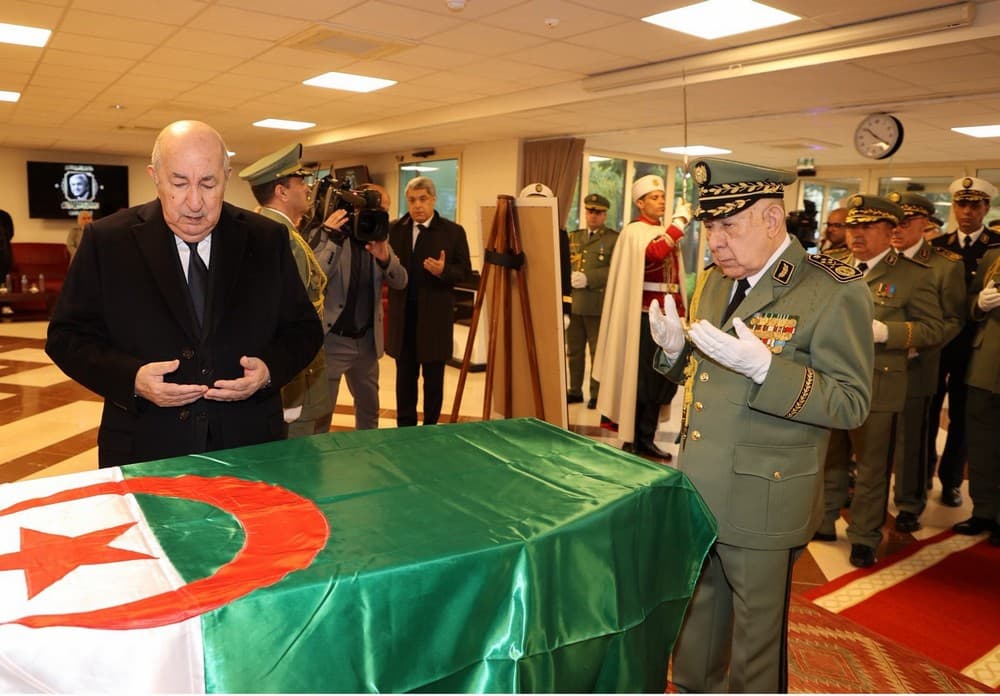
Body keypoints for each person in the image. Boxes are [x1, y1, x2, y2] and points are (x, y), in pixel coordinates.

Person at [648, 158, 873, 693]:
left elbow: (850, 402)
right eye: (710, 226)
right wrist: (675, 354)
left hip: (765, 495)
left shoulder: (832, 289)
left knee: (755, 646)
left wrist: (770, 370)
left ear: (773, 219)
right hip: (703, 486)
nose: (716, 241)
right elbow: (709, 374)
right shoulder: (711, 281)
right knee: (698, 625)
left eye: (729, 226)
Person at [45, 120, 323, 468]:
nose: (194, 202)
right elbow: (65, 337)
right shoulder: (109, 241)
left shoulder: (266, 239)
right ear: (155, 177)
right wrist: (131, 379)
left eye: (208, 183)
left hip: (249, 444)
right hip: (144, 446)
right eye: (179, 183)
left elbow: (304, 329)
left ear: (226, 176)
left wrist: (269, 370)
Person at [818, 195, 943, 568]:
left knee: (872, 466)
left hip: (878, 381)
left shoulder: (913, 276)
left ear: (891, 232)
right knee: (830, 455)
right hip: (831, 377)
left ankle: (864, 536)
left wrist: (885, 332)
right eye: (853, 226)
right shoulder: (832, 266)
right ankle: (824, 520)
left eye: (867, 227)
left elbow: (933, 328)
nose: (856, 234)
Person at [239, 143, 333, 438]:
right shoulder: (280, 238)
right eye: (300, 183)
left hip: (284, 371)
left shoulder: (270, 230)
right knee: (298, 465)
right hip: (293, 377)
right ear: (281, 192)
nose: (307, 189)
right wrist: (291, 389)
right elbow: (284, 318)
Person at [592, 174, 689, 459]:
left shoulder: (662, 231)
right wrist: (679, 224)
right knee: (643, 381)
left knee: (663, 382)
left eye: (662, 198)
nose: (661, 202)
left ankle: (646, 437)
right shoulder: (635, 232)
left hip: (667, 318)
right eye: (654, 198)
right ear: (639, 203)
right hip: (643, 318)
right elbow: (654, 254)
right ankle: (634, 438)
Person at [886, 191, 965, 532]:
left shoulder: (945, 265)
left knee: (911, 439)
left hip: (917, 363)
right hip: (878, 363)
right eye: (894, 222)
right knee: (874, 434)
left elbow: (953, 319)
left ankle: (909, 502)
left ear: (925, 224)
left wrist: (917, 343)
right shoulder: (883, 259)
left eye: (906, 222)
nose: (898, 229)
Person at [927, 176, 1000, 507]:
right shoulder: (937, 246)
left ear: (986, 208)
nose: (966, 211)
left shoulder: (996, 247)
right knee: (927, 410)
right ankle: (922, 473)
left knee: (963, 415)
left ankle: (952, 481)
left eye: (974, 204)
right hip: (937, 342)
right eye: (961, 204)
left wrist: (978, 307)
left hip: (973, 345)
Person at [311, 183, 407, 431]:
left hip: (366, 343)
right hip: (333, 341)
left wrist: (384, 257)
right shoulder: (333, 237)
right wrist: (331, 238)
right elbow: (315, 275)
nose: (380, 216)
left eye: (385, 211)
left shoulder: (379, 239)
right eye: (377, 209)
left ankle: (368, 459)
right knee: (322, 415)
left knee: (369, 411)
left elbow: (401, 280)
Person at [386, 176, 470, 426]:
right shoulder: (395, 229)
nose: (417, 205)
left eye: (423, 199)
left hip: (435, 320)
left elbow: (464, 273)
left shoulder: (452, 232)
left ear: (433, 199)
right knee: (404, 382)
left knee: (434, 381)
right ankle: (405, 428)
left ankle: (430, 428)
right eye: (412, 200)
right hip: (403, 320)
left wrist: (443, 271)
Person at [954, 244, 1000, 545]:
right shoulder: (994, 256)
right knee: (982, 445)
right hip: (987, 364)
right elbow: (967, 300)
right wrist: (979, 305)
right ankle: (983, 510)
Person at [566, 193, 619, 409]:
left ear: (605, 214)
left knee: (598, 353)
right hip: (574, 303)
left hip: (597, 305)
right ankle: (575, 390)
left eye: (597, 212)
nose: (593, 216)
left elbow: (616, 269)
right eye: (589, 211)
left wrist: (590, 278)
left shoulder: (613, 239)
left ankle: (597, 394)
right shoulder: (574, 237)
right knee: (574, 351)